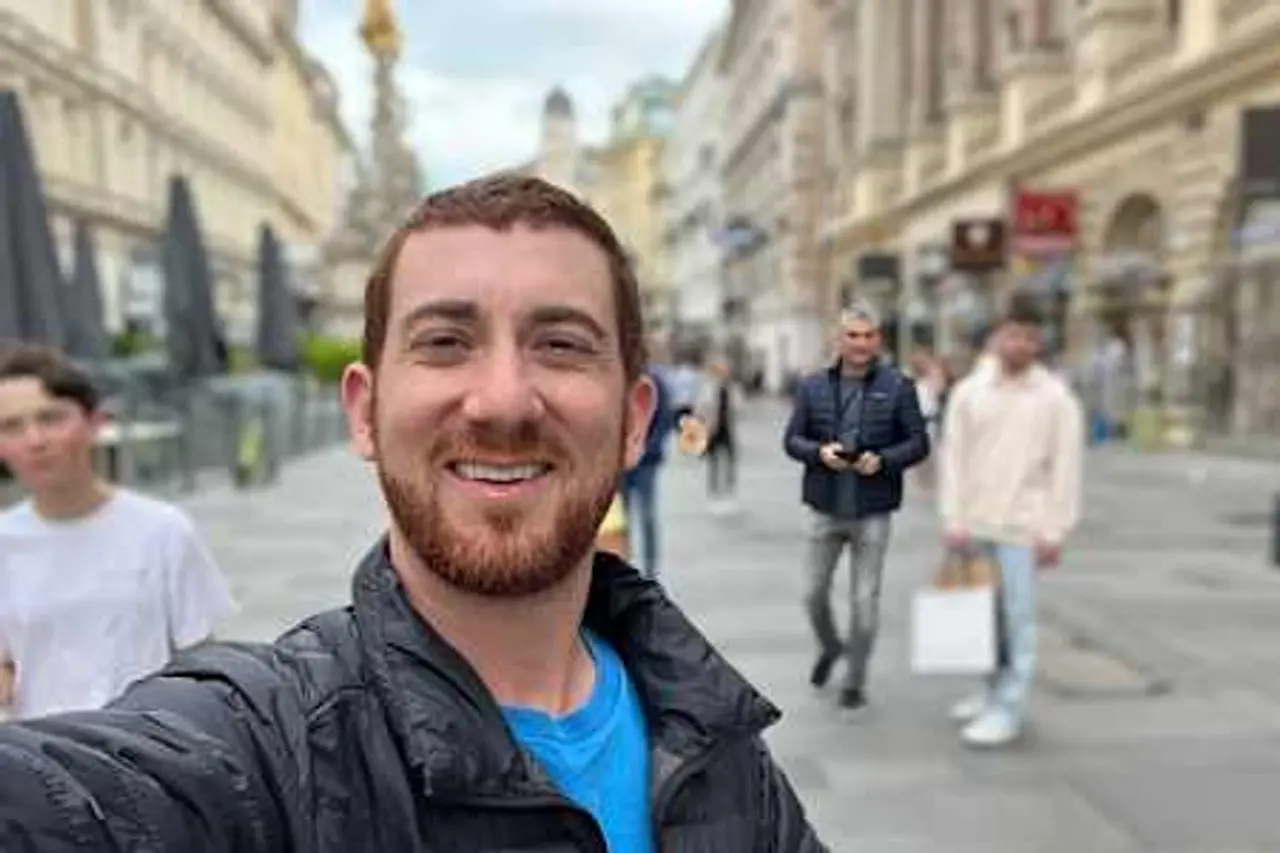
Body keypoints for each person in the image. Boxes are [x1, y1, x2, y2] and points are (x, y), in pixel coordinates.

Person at [0, 175, 826, 852]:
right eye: (444, 342)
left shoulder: (713, 738)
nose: (502, 399)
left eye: (561, 344)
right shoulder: (268, 745)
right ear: (364, 411)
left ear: (636, 420)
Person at [0, 343, 235, 720]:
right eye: (11, 426)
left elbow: (203, 663)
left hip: (147, 743)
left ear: (94, 422)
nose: (35, 440)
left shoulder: (163, 531)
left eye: (51, 418)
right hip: (42, 749)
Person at [940, 293, 1084, 748]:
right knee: (981, 622)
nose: (1019, 344)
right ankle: (988, 692)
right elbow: (954, 460)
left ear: (1038, 342)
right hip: (975, 523)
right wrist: (953, 517)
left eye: (1028, 336)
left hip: (1023, 527)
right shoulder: (969, 393)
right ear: (996, 337)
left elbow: (1065, 468)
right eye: (1012, 334)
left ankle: (1009, 708)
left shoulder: (1055, 398)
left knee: (1017, 623)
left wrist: (1055, 529)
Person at [783, 301, 930, 711]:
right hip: (824, 508)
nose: (861, 343)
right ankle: (831, 647)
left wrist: (883, 460)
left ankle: (855, 680)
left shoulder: (898, 386)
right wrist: (819, 453)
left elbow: (919, 443)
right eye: (853, 335)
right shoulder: (813, 386)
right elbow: (791, 440)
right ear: (839, 338)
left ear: (878, 339)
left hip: (873, 512)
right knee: (812, 595)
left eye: (868, 336)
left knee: (865, 604)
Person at [620, 360, 675, 577]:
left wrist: (647, 447)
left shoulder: (655, 382)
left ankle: (651, 568)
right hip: (620, 462)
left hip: (646, 462)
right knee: (621, 518)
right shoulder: (618, 377)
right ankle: (622, 566)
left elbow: (665, 419)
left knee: (647, 515)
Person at [693, 358, 742, 514]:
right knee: (713, 462)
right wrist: (704, 421)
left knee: (730, 461)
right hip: (713, 430)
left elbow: (740, 406)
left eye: (725, 370)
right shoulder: (708, 387)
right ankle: (714, 492)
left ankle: (729, 491)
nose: (723, 373)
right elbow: (699, 408)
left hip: (729, 429)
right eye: (721, 370)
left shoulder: (733, 388)